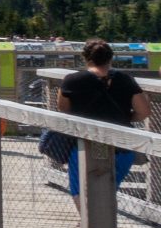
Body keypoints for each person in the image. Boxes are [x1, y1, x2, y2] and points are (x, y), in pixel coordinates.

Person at [57, 38, 152, 210]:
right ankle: (104, 224)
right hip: (121, 146)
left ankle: (89, 224)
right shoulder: (125, 79)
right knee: (108, 189)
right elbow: (144, 111)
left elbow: (64, 109)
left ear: (86, 58)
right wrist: (125, 118)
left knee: (79, 189)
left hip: (84, 144)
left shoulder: (72, 80)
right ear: (110, 58)